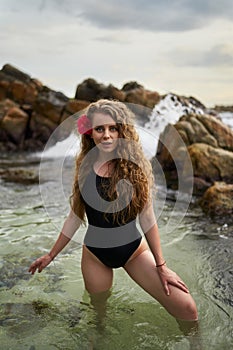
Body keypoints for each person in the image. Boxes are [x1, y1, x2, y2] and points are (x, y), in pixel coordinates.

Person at [28, 99, 198, 335]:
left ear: (122, 130)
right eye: (100, 129)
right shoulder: (85, 167)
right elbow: (75, 217)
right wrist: (51, 255)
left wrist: (162, 266)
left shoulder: (135, 167)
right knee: (98, 320)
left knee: (187, 308)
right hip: (95, 256)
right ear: (91, 132)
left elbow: (147, 218)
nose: (106, 135)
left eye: (112, 128)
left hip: (134, 252)